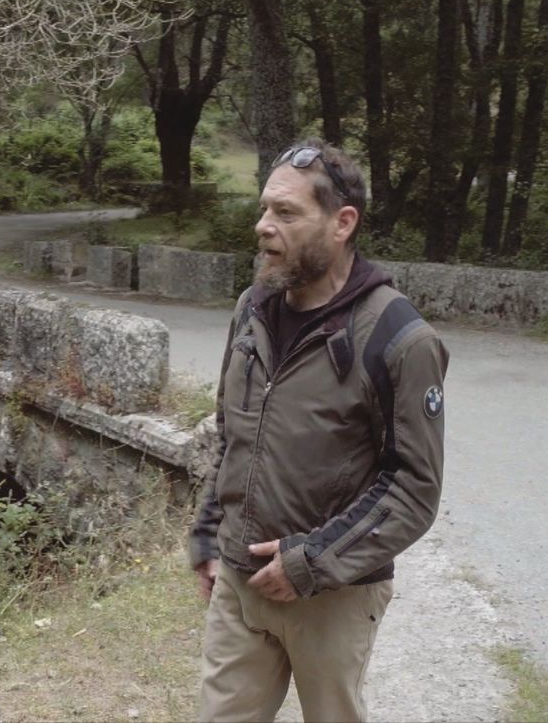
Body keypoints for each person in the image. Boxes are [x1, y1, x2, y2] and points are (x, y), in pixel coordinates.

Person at [189, 138, 449, 722]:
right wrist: (210, 534)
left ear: (342, 223)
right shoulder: (251, 310)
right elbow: (233, 436)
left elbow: (414, 489)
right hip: (240, 582)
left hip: (334, 595)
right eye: (263, 210)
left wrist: (311, 561)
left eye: (286, 213)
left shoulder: (400, 340)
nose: (263, 227)